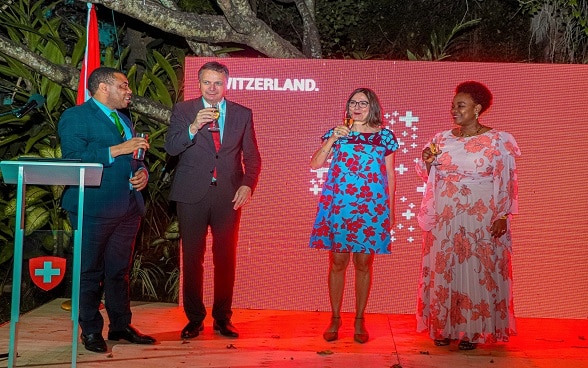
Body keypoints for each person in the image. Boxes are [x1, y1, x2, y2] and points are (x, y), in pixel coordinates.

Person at [415, 81, 521, 350]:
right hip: (446, 214)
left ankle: (473, 331)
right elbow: (427, 173)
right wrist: (427, 160)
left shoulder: (498, 140)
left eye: (460, 106)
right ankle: (445, 327)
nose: (454, 110)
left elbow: (507, 179)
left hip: (480, 213)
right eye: (453, 106)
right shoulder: (442, 139)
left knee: (476, 269)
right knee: (446, 269)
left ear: (477, 108)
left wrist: (502, 215)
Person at [58, 67, 154, 353]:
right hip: (93, 207)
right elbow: (73, 160)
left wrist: (143, 173)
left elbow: (134, 159)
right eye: (124, 86)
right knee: (89, 272)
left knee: (118, 271)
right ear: (103, 88)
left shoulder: (123, 119)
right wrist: (118, 149)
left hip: (127, 207)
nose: (129, 91)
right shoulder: (75, 117)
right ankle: (90, 330)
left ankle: (121, 325)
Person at [165, 61, 261, 339]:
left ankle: (222, 318)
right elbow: (171, 147)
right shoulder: (184, 110)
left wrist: (247, 185)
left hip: (228, 196)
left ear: (226, 84)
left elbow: (252, 157)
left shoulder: (243, 114)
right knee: (192, 258)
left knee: (225, 258)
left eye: (218, 82)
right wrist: (194, 126)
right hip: (191, 194)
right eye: (207, 82)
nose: (212, 88)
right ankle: (194, 319)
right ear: (199, 84)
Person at [309, 88, 398, 344]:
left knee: (363, 264)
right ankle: (335, 318)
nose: (357, 106)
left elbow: (390, 176)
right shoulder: (338, 134)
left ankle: (360, 319)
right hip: (340, 206)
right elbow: (315, 164)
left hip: (371, 208)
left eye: (363, 102)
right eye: (352, 102)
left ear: (373, 107)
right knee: (337, 262)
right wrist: (331, 140)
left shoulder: (385, 137)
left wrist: (391, 211)